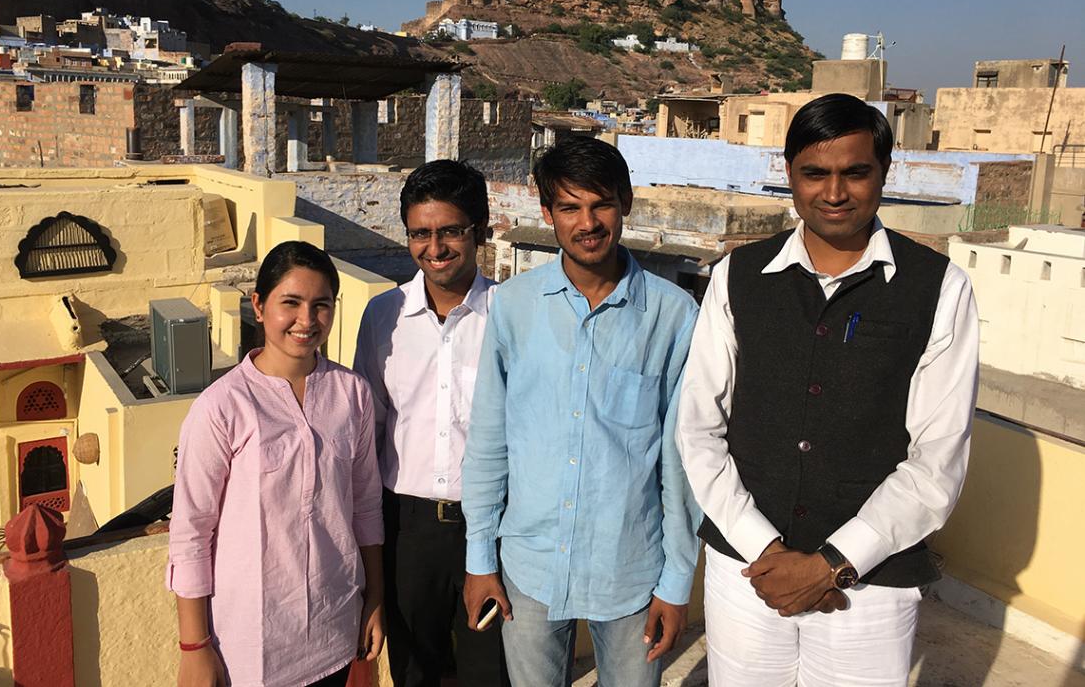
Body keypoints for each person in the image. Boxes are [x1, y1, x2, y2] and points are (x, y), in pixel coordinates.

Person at [676, 93, 980, 687]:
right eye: (815, 173)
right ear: (788, 174)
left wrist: (833, 564)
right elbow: (699, 427)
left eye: (855, 172)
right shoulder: (738, 276)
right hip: (747, 572)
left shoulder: (939, 288)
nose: (834, 192)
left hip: (869, 587)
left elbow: (938, 459)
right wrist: (765, 549)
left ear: (883, 173)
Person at [461, 136, 701, 687]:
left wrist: (676, 581)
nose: (587, 222)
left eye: (601, 204)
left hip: (631, 572)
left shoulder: (673, 315)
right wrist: (480, 558)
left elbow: (680, 460)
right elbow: (489, 441)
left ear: (626, 204)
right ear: (547, 214)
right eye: (569, 207)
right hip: (529, 568)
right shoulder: (515, 308)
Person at [167, 241, 385, 687]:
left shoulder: (352, 394)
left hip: (335, 630)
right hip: (250, 647)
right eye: (291, 303)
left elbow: (365, 507)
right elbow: (192, 530)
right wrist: (194, 647)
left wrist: (375, 598)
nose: (307, 321)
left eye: (321, 305)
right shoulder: (223, 407)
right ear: (259, 306)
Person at [353, 160, 507, 687]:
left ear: (479, 230)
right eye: (420, 233)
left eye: (449, 231)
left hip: (492, 528)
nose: (434, 248)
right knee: (416, 673)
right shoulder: (382, 316)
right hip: (407, 531)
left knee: (490, 673)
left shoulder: (511, 315)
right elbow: (368, 429)